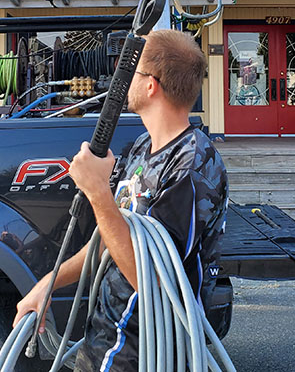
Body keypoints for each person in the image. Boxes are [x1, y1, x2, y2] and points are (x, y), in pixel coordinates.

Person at [14, 29, 229, 372]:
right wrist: (48, 284)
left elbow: (155, 282)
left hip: (146, 351)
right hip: (106, 339)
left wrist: (97, 191)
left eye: (132, 72)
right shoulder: (143, 147)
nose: (121, 80)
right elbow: (109, 237)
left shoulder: (193, 165)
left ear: (150, 85)